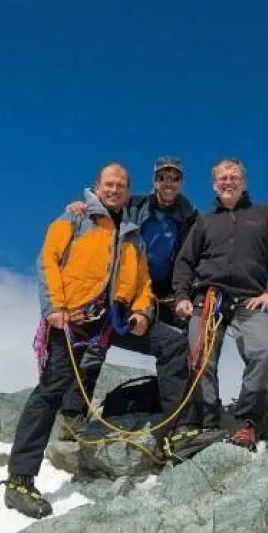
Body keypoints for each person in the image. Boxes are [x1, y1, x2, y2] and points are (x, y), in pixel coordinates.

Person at [0, 162, 153, 519]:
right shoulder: (74, 221)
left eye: (121, 186)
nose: (114, 190)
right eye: (109, 184)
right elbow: (48, 260)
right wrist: (53, 307)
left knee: (165, 345)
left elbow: (142, 283)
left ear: (128, 192)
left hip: (110, 322)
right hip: (71, 319)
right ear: (97, 187)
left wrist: (143, 312)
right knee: (52, 388)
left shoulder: (133, 237)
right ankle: (19, 479)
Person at [62, 155, 199, 451]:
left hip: (162, 295)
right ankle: (71, 416)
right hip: (117, 292)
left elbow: (200, 249)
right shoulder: (134, 205)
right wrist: (80, 207)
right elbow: (105, 207)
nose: (168, 183)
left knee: (183, 347)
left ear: (181, 182)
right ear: (155, 181)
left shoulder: (190, 215)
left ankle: (181, 422)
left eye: (174, 177)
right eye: (163, 177)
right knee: (94, 345)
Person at [172, 157, 268, 450]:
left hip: (249, 300)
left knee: (261, 352)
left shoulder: (265, 214)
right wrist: (181, 296)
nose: (228, 182)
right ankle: (208, 420)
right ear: (214, 185)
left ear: (243, 182)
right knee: (201, 358)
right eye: (222, 178)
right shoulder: (204, 222)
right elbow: (185, 262)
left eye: (234, 177)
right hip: (208, 298)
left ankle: (246, 422)